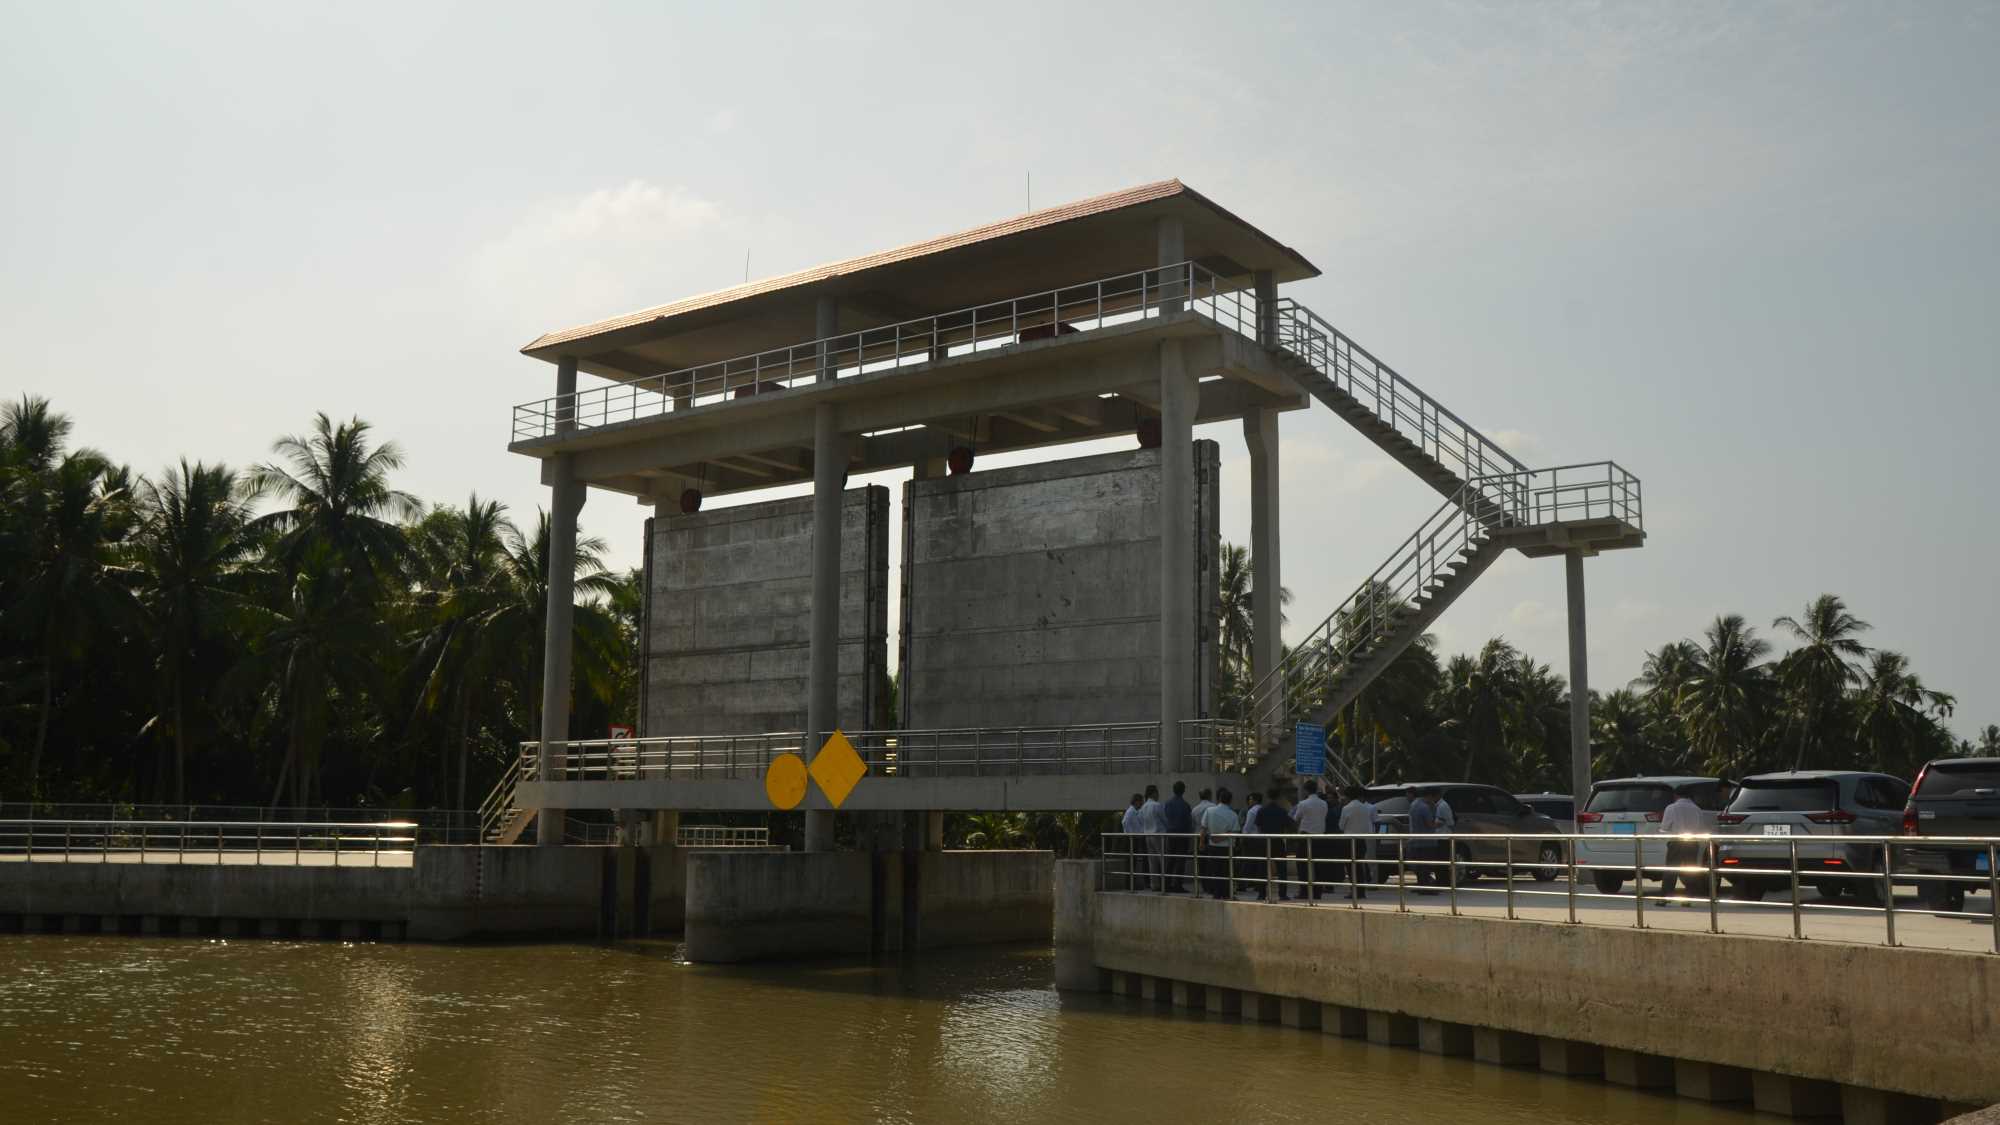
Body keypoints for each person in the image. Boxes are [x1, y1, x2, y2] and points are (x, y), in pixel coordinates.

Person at [1658, 784, 1706, 906]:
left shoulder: (1671, 808)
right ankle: (1688, 898)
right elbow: (1701, 827)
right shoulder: (1697, 809)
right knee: (1690, 869)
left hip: (1676, 842)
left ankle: (1665, 897)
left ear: (1676, 795)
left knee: (1671, 870)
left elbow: (1665, 827)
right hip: (1692, 842)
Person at [1199, 788, 1241, 899]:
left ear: (1219, 799)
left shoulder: (1209, 811)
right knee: (1227, 872)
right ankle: (1226, 894)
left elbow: (1203, 828)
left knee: (1215, 870)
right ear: (1230, 800)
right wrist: (1221, 837)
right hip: (1227, 847)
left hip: (1212, 846)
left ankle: (1216, 893)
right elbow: (1235, 832)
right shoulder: (1233, 815)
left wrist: (1201, 843)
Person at [1252, 792, 1295, 900]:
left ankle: (1261, 894)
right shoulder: (1282, 811)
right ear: (1278, 798)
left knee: (1262, 868)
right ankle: (1283, 894)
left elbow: (1258, 826)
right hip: (1278, 841)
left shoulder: (1261, 810)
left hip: (1264, 841)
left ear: (1267, 797)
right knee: (1282, 869)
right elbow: (1290, 824)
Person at [1337, 784, 1377, 898]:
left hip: (1349, 840)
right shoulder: (1366, 807)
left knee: (1350, 867)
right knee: (1360, 865)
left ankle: (1354, 890)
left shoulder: (1346, 808)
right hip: (1361, 840)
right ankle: (1361, 891)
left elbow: (1341, 826)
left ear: (1348, 796)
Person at [1292, 779, 1330, 900]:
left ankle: (1304, 891)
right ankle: (1318, 892)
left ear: (1306, 790)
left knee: (1303, 865)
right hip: (1319, 836)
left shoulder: (1303, 804)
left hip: (1305, 836)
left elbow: (1296, 819)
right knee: (1318, 865)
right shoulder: (1324, 803)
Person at [1162, 780, 1195, 893]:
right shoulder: (1185, 805)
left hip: (1170, 834)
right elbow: (1188, 822)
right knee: (1180, 861)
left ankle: (1166, 884)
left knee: (1170, 860)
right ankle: (1177, 885)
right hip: (1182, 835)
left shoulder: (1167, 803)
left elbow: (1166, 818)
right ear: (1183, 791)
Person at [1406, 789, 1440, 893]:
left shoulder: (1414, 804)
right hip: (1427, 841)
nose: (1434, 801)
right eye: (1433, 798)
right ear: (1429, 796)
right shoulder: (1425, 807)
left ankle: (1421, 886)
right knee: (1426, 865)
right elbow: (1430, 824)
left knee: (1420, 866)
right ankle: (1426, 888)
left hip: (1415, 840)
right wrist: (1440, 823)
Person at [1138, 784, 1166, 891]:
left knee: (1152, 861)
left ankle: (1154, 884)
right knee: (1163, 859)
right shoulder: (1157, 805)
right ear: (1153, 793)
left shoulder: (1143, 807)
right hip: (1158, 835)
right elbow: (1164, 819)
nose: (1158, 795)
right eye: (1157, 792)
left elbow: (1141, 820)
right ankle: (1164, 883)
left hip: (1147, 835)